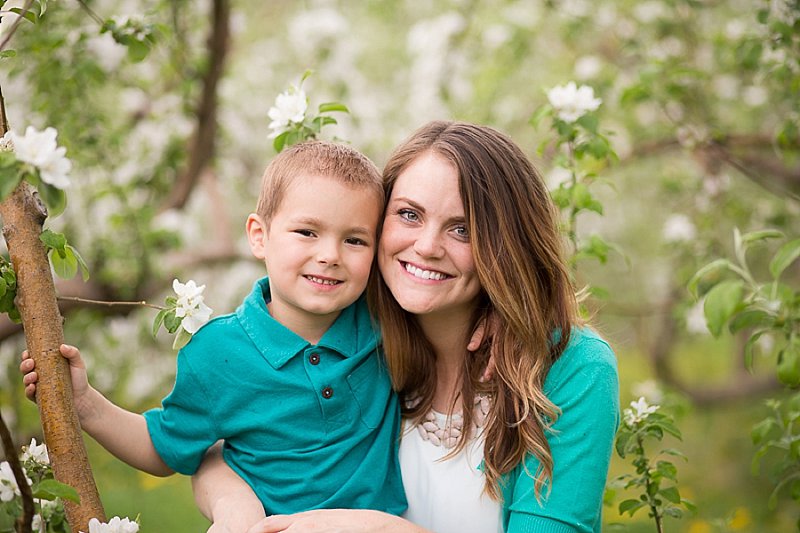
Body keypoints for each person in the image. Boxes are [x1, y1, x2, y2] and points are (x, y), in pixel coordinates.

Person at [192, 120, 620, 533]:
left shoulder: (571, 367)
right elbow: (233, 433)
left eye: (463, 229)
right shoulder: (358, 338)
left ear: (506, 246)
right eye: (409, 215)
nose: (427, 246)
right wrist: (230, 499)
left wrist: (381, 530)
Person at [20, 141, 408, 521]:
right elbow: (162, 448)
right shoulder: (217, 353)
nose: (329, 256)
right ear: (259, 235)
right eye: (307, 232)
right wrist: (87, 405)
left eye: (354, 240)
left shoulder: (385, 323)